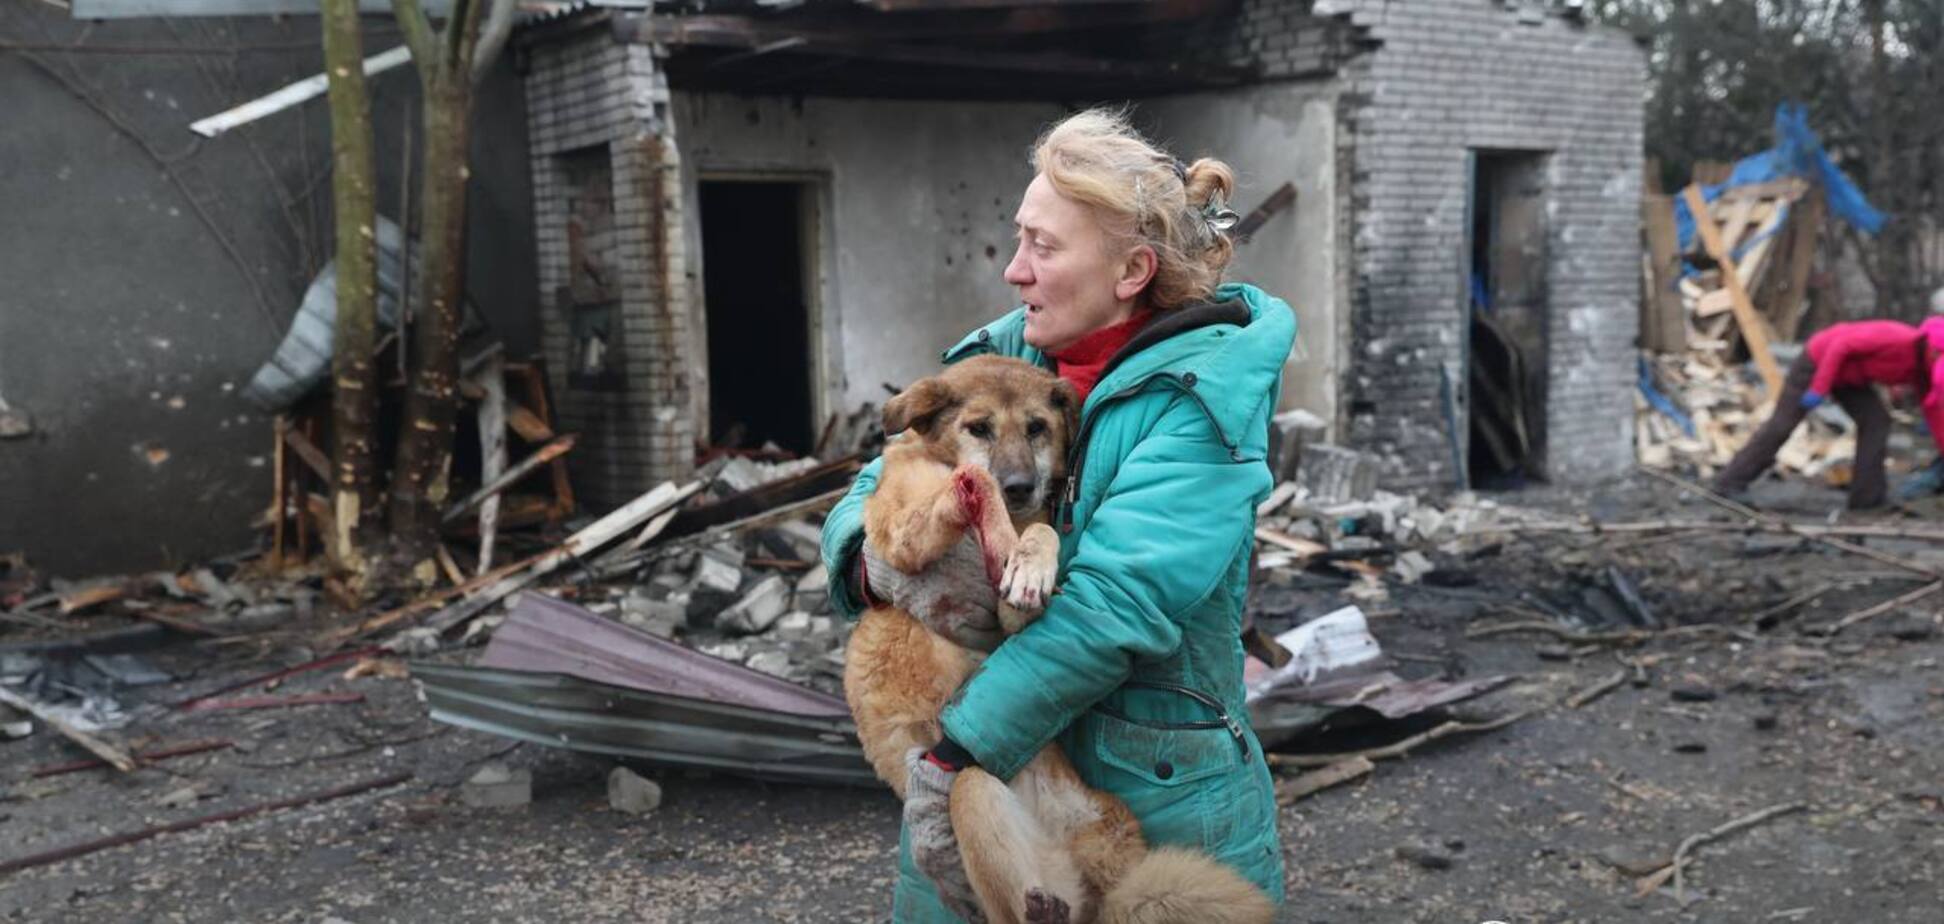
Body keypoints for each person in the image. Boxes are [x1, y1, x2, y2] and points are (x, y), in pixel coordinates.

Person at [819, 109, 1293, 921]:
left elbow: (1116, 608)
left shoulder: (1202, 400)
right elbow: (877, 483)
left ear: (1131, 270)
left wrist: (957, 750)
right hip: (993, 794)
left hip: (1145, 786)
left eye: (1042, 246)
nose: (1014, 271)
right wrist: (872, 564)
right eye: (1019, 239)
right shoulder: (1008, 355)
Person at [1714, 318, 1943, 509]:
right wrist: (1818, 388)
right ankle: (1729, 483)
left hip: (1850, 379)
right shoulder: (1897, 337)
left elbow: (1932, 409)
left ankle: (1867, 498)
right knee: (1783, 424)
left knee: (1877, 421)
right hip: (1818, 361)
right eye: (1937, 352)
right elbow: (1841, 345)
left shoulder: (1924, 369)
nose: (1937, 358)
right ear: (1927, 343)